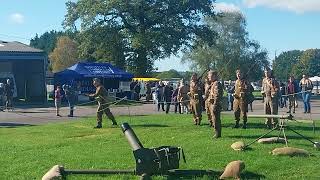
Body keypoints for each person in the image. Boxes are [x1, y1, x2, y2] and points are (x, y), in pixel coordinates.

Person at [208, 70, 223, 138]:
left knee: (216, 119)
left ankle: (217, 133)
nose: (208, 77)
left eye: (210, 76)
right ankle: (216, 132)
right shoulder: (213, 83)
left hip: (215, 104)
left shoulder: (216, 84)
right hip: (212, 103)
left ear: (214, 76)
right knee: (214, 119)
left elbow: (217, 95)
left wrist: (215, 104)